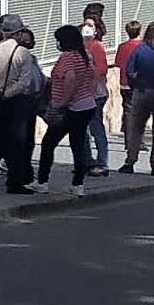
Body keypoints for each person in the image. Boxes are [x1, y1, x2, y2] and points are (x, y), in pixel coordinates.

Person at [0, 15, 44, 194]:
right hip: (17, 102)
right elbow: (25, 81)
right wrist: (9, 93)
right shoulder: (23, 53)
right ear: (19, 33)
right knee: (17, 143)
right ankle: (15, 182)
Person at [36, 24, 100, 195]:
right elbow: (95, 74)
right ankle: (78, 185)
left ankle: (42, 181)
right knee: (78, 144)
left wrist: (64, 100)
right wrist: (90, 93)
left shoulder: (67, 57)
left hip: (70, 108)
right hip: (86, 105)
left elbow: (70, 78)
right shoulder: (84, 55)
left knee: (48, 143)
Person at [120, 23, 154, 175]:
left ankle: (130, 162)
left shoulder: (140, 49)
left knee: (136, 128)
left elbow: (129, 71)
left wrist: (135, 85)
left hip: (142, 91)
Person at [79, 4, 113, 176]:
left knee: (96, 127)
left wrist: (87, 68)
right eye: (85, 25)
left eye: (90, 26)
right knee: (82, 129)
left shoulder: (97, 46)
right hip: (82, 92)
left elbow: (103, 69)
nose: (87, 29)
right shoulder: (79, 45)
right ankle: (86, 160)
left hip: (95, 92)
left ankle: (102, 162)